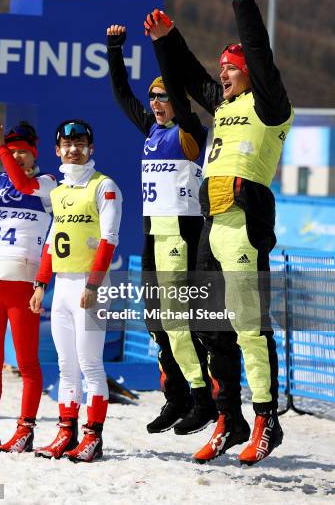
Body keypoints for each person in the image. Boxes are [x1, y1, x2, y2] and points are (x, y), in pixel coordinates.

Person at [145, 0, 294, 466]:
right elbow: (188, 76)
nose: (224, 75)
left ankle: (265, 421)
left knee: (251, 325)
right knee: (211, 326)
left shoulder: (268, 104)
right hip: (212, 227)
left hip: (245, 225)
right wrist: (168, 41)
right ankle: (228, 418)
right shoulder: (226, 104)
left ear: (251, 73)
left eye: (232, 68)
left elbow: (259, 48)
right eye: (224, 69)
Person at [106, 25, 217, 435]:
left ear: (178, 100)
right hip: (154, 233)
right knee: (155, 320)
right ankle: (177, 397)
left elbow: (180, 97)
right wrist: (114, 49)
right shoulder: (152, 130)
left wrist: (162, 47)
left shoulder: (188, 133)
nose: (154, 103)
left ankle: (202, 396)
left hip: (181, 234)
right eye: (152, 97)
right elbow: (122, 96)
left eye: (163, 96)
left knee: (177, 320)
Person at [29, 120, 122, 462]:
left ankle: (93, 438)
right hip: (63, 287)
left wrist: (95, 285)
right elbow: (52, 243)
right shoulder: (58, 191)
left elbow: (110, 240)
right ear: (57, 150)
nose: (74, 149)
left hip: (89, 285)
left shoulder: (105, 186)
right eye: (67, 144)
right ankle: (66, 433)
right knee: (66, 365)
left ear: (91, 147)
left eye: (80, 143)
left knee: (90, 365)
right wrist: (41, 285)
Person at [0, 112, 56, 453]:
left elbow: (23, 185)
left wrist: (2, 149)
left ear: (34, 153)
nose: (16, 156)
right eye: (12, 150)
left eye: (22, 151)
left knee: (27, 363)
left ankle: (26, 429)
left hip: (22, 284)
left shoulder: (47, 183)